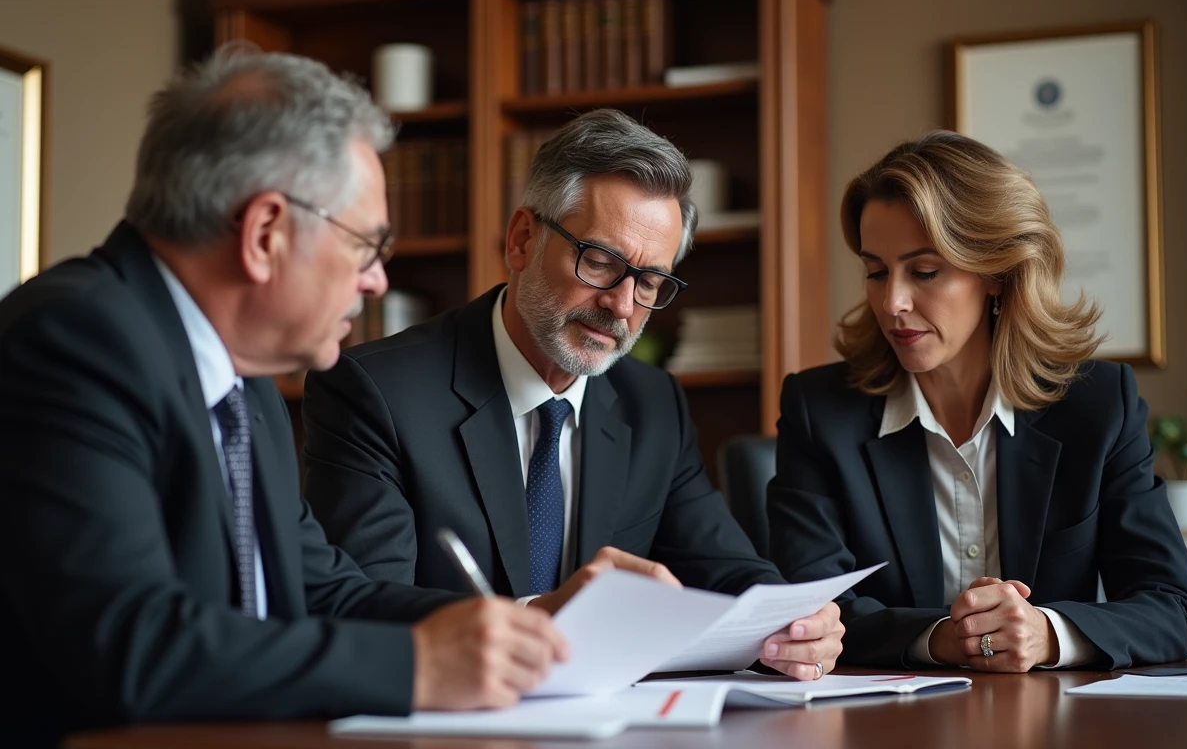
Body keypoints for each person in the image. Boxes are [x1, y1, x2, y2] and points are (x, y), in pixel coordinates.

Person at [0, 48, 568, 745]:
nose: (377, 283)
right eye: (367, 246)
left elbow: (325, 592)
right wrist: (418, 665)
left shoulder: (247, 385)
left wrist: (529, 624)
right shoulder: (75, 340)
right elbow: (133, 642)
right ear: (266, 233)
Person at [302, 108, 844, 681]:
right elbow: (359, 605)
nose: (623, 305)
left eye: (650, 281)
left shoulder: (652, 402)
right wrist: (539, 618)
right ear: (521, 240)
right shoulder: (376, 391)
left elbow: (727, 570)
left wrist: (796, 625)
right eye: (600, 262)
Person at [767, 129, 1187, 671]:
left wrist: (1049, 632)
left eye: (924, 272)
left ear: (996, 272)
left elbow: (1173, 608)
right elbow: (807, 614)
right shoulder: (819, 410)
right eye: (876, 271)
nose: (892, 301)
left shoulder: (1098, 406)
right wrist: (939, 638)